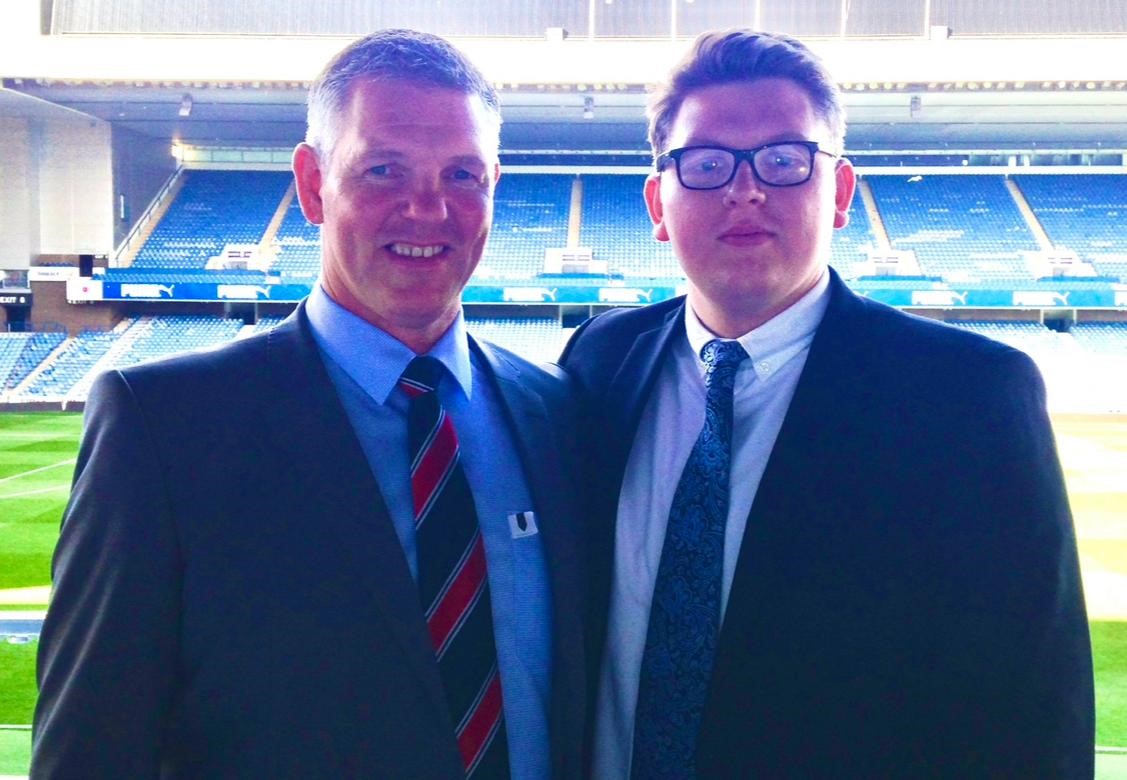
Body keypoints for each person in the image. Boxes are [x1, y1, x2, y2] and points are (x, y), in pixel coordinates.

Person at [32, 29, 585, 779]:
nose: (429, 209)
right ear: (312, 184)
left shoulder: (552, 413)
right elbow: (91, 751)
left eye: (462, 175)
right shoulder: (163, 428)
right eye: (384, 170)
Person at [560, 29, 1093, 778]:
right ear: (657, 200)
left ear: (838, 191)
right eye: (706, 163)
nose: (745, 190)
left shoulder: (968, 399)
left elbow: (1033, 715)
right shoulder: (600, 361)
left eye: (783, 160)